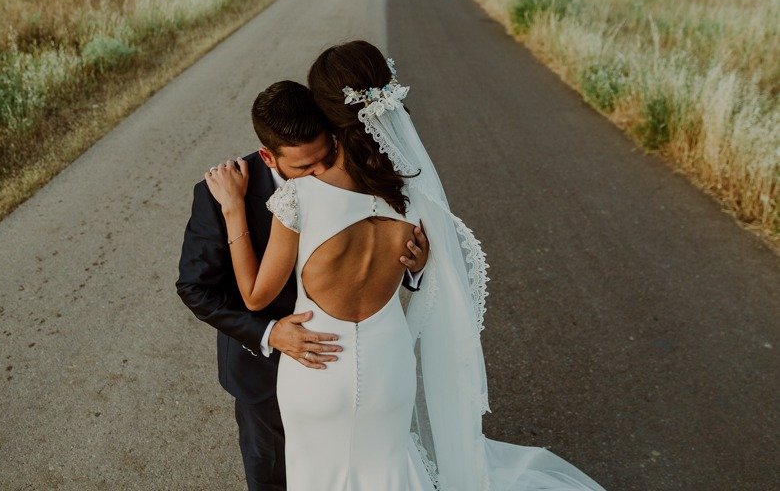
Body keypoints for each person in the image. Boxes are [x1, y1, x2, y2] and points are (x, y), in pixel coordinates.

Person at [203, 41, 609, 490]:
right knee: (391, 474)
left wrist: (233, 211)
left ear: (326, 114)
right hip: (388, 369)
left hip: (316, 370)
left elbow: (255, 296)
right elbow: (426, 272)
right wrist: (417, 267)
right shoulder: (411, 194)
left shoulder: (298, 197)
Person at [175, 80, 429, 491]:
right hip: (263, 370)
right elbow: (196, 288)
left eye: (323, 158)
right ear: (267, 156)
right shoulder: (217, 195)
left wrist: (414, 266)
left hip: (357, 364)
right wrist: (270, 333)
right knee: (276, 478)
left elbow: (379, 242)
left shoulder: (352, 171)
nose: (318, 175)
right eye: (302, 168)